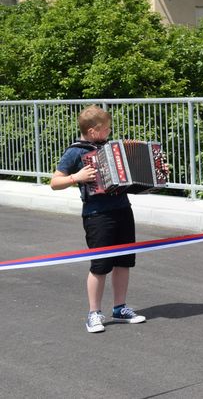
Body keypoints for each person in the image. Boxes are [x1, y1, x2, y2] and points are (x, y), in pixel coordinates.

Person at [50, 106, 147, 333]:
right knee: (100, 265)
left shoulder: (112, 148)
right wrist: (76, 177)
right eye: (106, 129)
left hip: (123, 210)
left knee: (124, 261)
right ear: (93, 131)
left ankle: (120, 308)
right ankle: (93, 313)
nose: (110, 131)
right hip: (97, 216)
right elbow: (55, 182)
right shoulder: (75, 152)